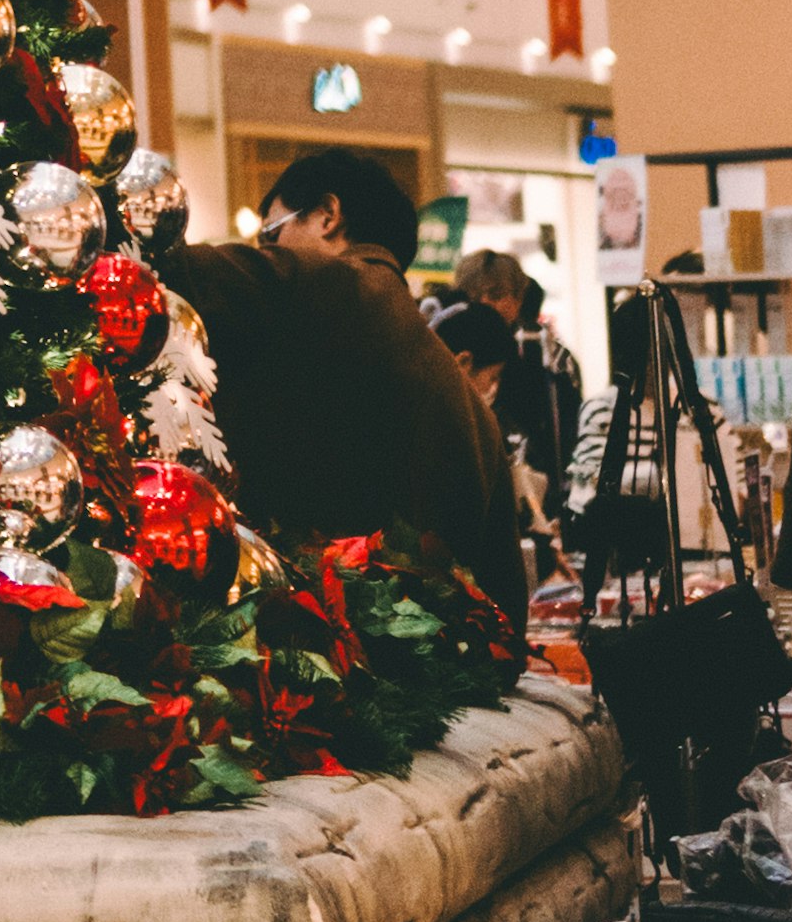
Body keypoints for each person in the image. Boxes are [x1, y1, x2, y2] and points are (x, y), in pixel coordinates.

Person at [170, 147, 527, 629]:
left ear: (327, 215)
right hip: (438, 678)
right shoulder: (474, 410)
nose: (265, 250)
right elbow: (507, 610)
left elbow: (161, 274)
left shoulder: (310, 285)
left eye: (270, 234)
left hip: (296, 661)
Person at [429, 244, 584, 494]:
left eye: (496, 294)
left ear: (519, 298)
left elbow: (566, 433)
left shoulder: (542, 352)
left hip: (537, 485)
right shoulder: (443, 344)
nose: (484, 303)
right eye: (473, 294)